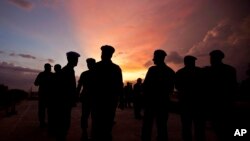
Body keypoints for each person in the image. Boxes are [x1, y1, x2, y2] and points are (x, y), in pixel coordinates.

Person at [141, 49, 175, 141]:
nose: (153, 59)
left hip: (151, 102)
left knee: (147, 125)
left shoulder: (152, 70)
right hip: (163, 102)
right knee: (162, 126)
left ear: (159, 58)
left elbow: (146, 86)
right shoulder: (170, 72)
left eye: (155, 57)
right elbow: (171, 89)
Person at [91, 45, 123, 141]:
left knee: (98, 123)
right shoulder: (116, 68)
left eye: (103, 53)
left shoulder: (96, 66)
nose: (102, 55)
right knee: (107, 122)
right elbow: (119, 85)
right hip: (109, 100)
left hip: (99, 100)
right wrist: (121, 99)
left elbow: (91, 84)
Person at [204, 50, 237, 141]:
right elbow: (233, 87)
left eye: (212, 57)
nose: (211, 59)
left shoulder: (208, 71)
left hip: (216, 104)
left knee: (219, 129)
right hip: (226, 103)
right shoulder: (230, 70)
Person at [175, 55, 205, 141]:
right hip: (198, 103)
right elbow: (205, 86)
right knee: (199, 127)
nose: (194, 63)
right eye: (193, 61)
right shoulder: (200, 71)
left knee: (186, 126)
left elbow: (177, 86)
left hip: (185, 103)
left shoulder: (180, 72)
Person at [55, 51, 80, 141]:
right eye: (76, 59)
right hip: (64, 100)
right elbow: (66, 87)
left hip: (65, 100)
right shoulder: (67, 70)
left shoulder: (68, 69)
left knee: (64, 120)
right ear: (71, 59)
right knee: (64, 121)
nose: (77, 61)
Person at [76, 58, 96, 141]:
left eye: (89, 64)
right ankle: (90, 133)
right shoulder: (98, 74)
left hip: (87, 98)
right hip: (94, 98)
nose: (88, 65)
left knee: (85, 116)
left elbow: (79, 86)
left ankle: (85, 133)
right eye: (88, 64)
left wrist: (76, 95)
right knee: (93, 117)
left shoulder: (84, 74)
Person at [34, 63, 53, 128]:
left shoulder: (41, 74)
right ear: (48, 68)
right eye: (50, 67)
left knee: (43, 110)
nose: (50, 68)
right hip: (47, 95)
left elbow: (36, 83)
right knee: (48, 110)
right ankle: (46, 123)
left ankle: (43, 123)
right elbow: (36, 83)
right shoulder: (51, 75)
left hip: (44, 95)